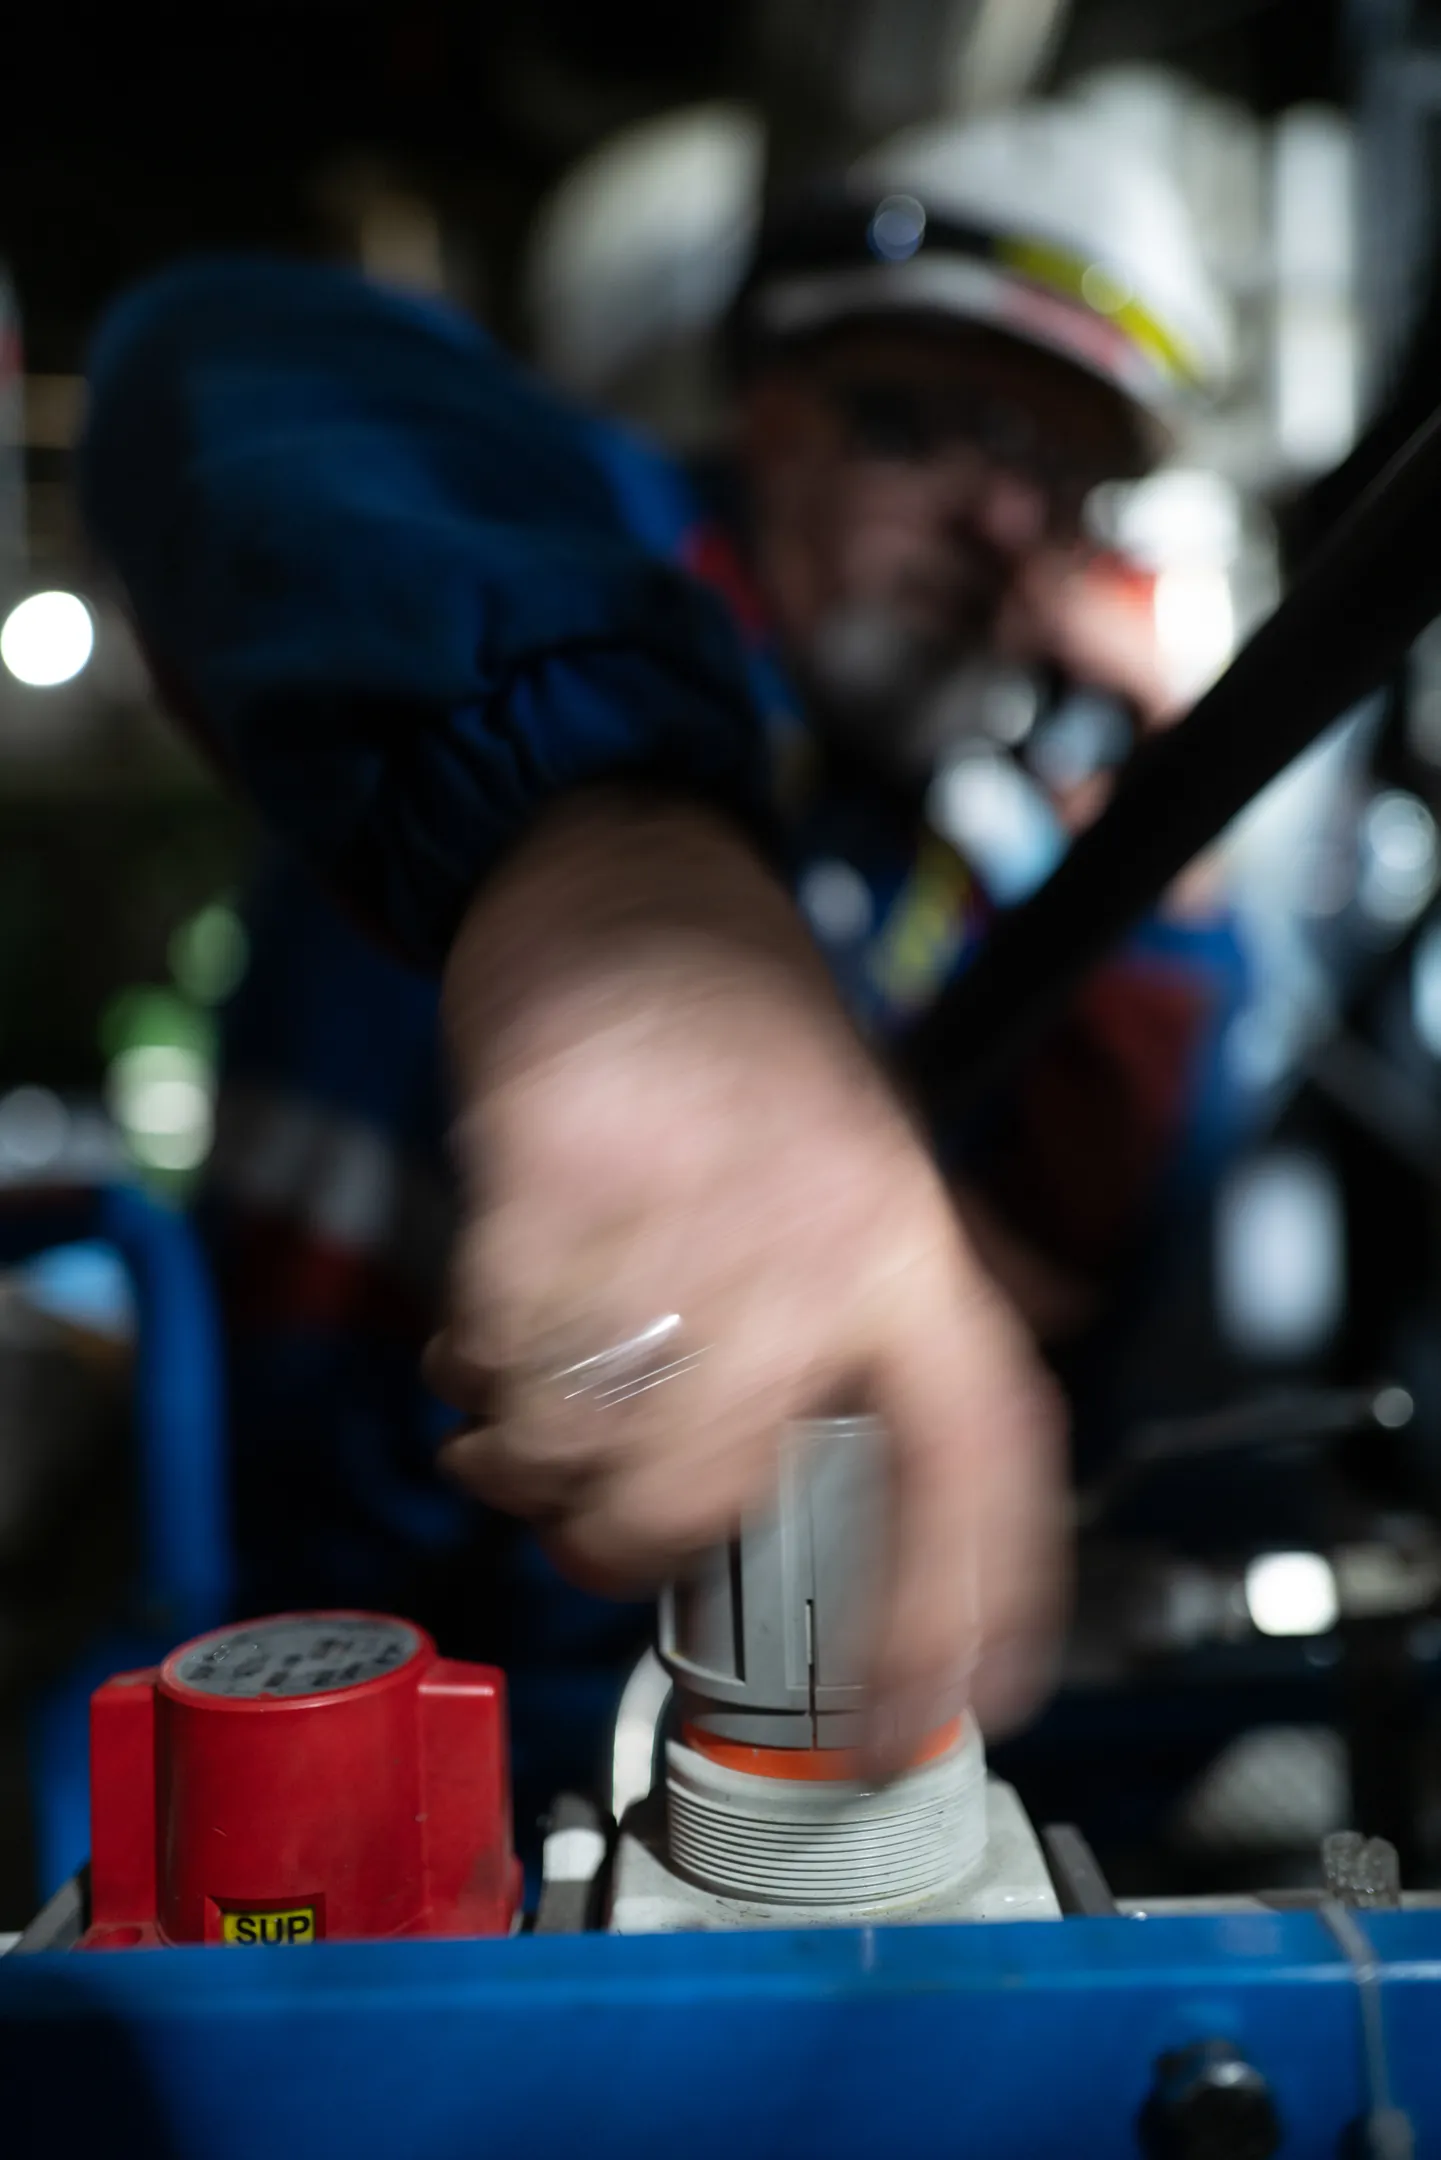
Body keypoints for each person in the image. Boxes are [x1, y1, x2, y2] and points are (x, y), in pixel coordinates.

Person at [78, 102, 1244, 1802]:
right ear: (769, 416)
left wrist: (1177, 885)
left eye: (1068, 480)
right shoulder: (597, 561)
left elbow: (1068, 1280)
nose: (1007, 521)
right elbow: (225, 348)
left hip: (672, 1705)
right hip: (316, 1636)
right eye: (935, 426)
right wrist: (618, 860)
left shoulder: (936, 832)